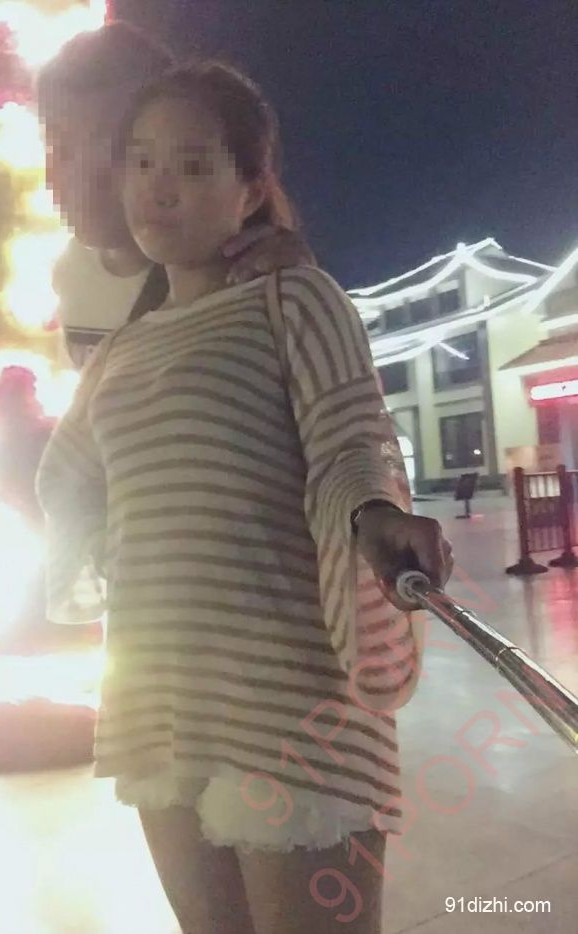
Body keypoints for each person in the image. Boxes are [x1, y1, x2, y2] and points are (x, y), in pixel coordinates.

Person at [37, 57, 454, 934]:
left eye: (193, 166)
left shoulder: (295, 299)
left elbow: (348, 440)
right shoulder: (119, 353)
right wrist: (102, 551)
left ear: (251, 189)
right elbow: (68, 477)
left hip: (290, 707)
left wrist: (375, 514)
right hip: (158, 702)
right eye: (142, 161)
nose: (159, 187)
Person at [36, 21, 315, 369]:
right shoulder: (55, 278)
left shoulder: (239, 283)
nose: (68, 175)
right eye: (56, 146)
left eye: (108, 143)